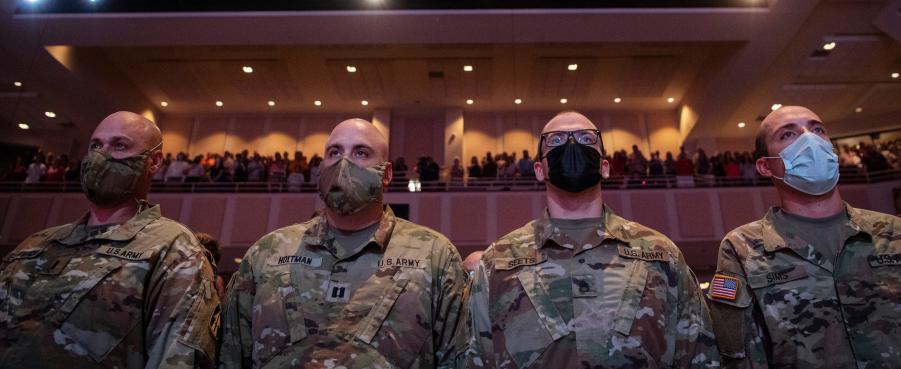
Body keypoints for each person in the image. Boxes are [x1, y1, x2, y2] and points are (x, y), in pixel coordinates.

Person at [706, 105, 901, 368]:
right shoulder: (743, 248)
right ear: (765, 166)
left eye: (817, 129)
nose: (810, 139)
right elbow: (742, 356)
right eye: (788, 135)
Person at [462, 111, 718, 368]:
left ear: (605, 166)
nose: (572, 145)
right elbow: (475, 357)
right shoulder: (500, 260)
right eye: (556, 140)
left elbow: (699, 354)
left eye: (586, 138)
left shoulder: (661, 253)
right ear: (539, 170)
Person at [220, 118, 468, 369]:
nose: (343, 163)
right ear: (321, 167)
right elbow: (231, 356)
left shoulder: (435, 255)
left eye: (361, 153)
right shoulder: (267, 253)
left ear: (386, 174)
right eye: (334, 152)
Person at [0, 111, 220, 368]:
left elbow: (177, 359)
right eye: (95, 145)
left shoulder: (173, 249)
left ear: (154, 161)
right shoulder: (34, 245)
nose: (100, 156)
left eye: (119, 145)